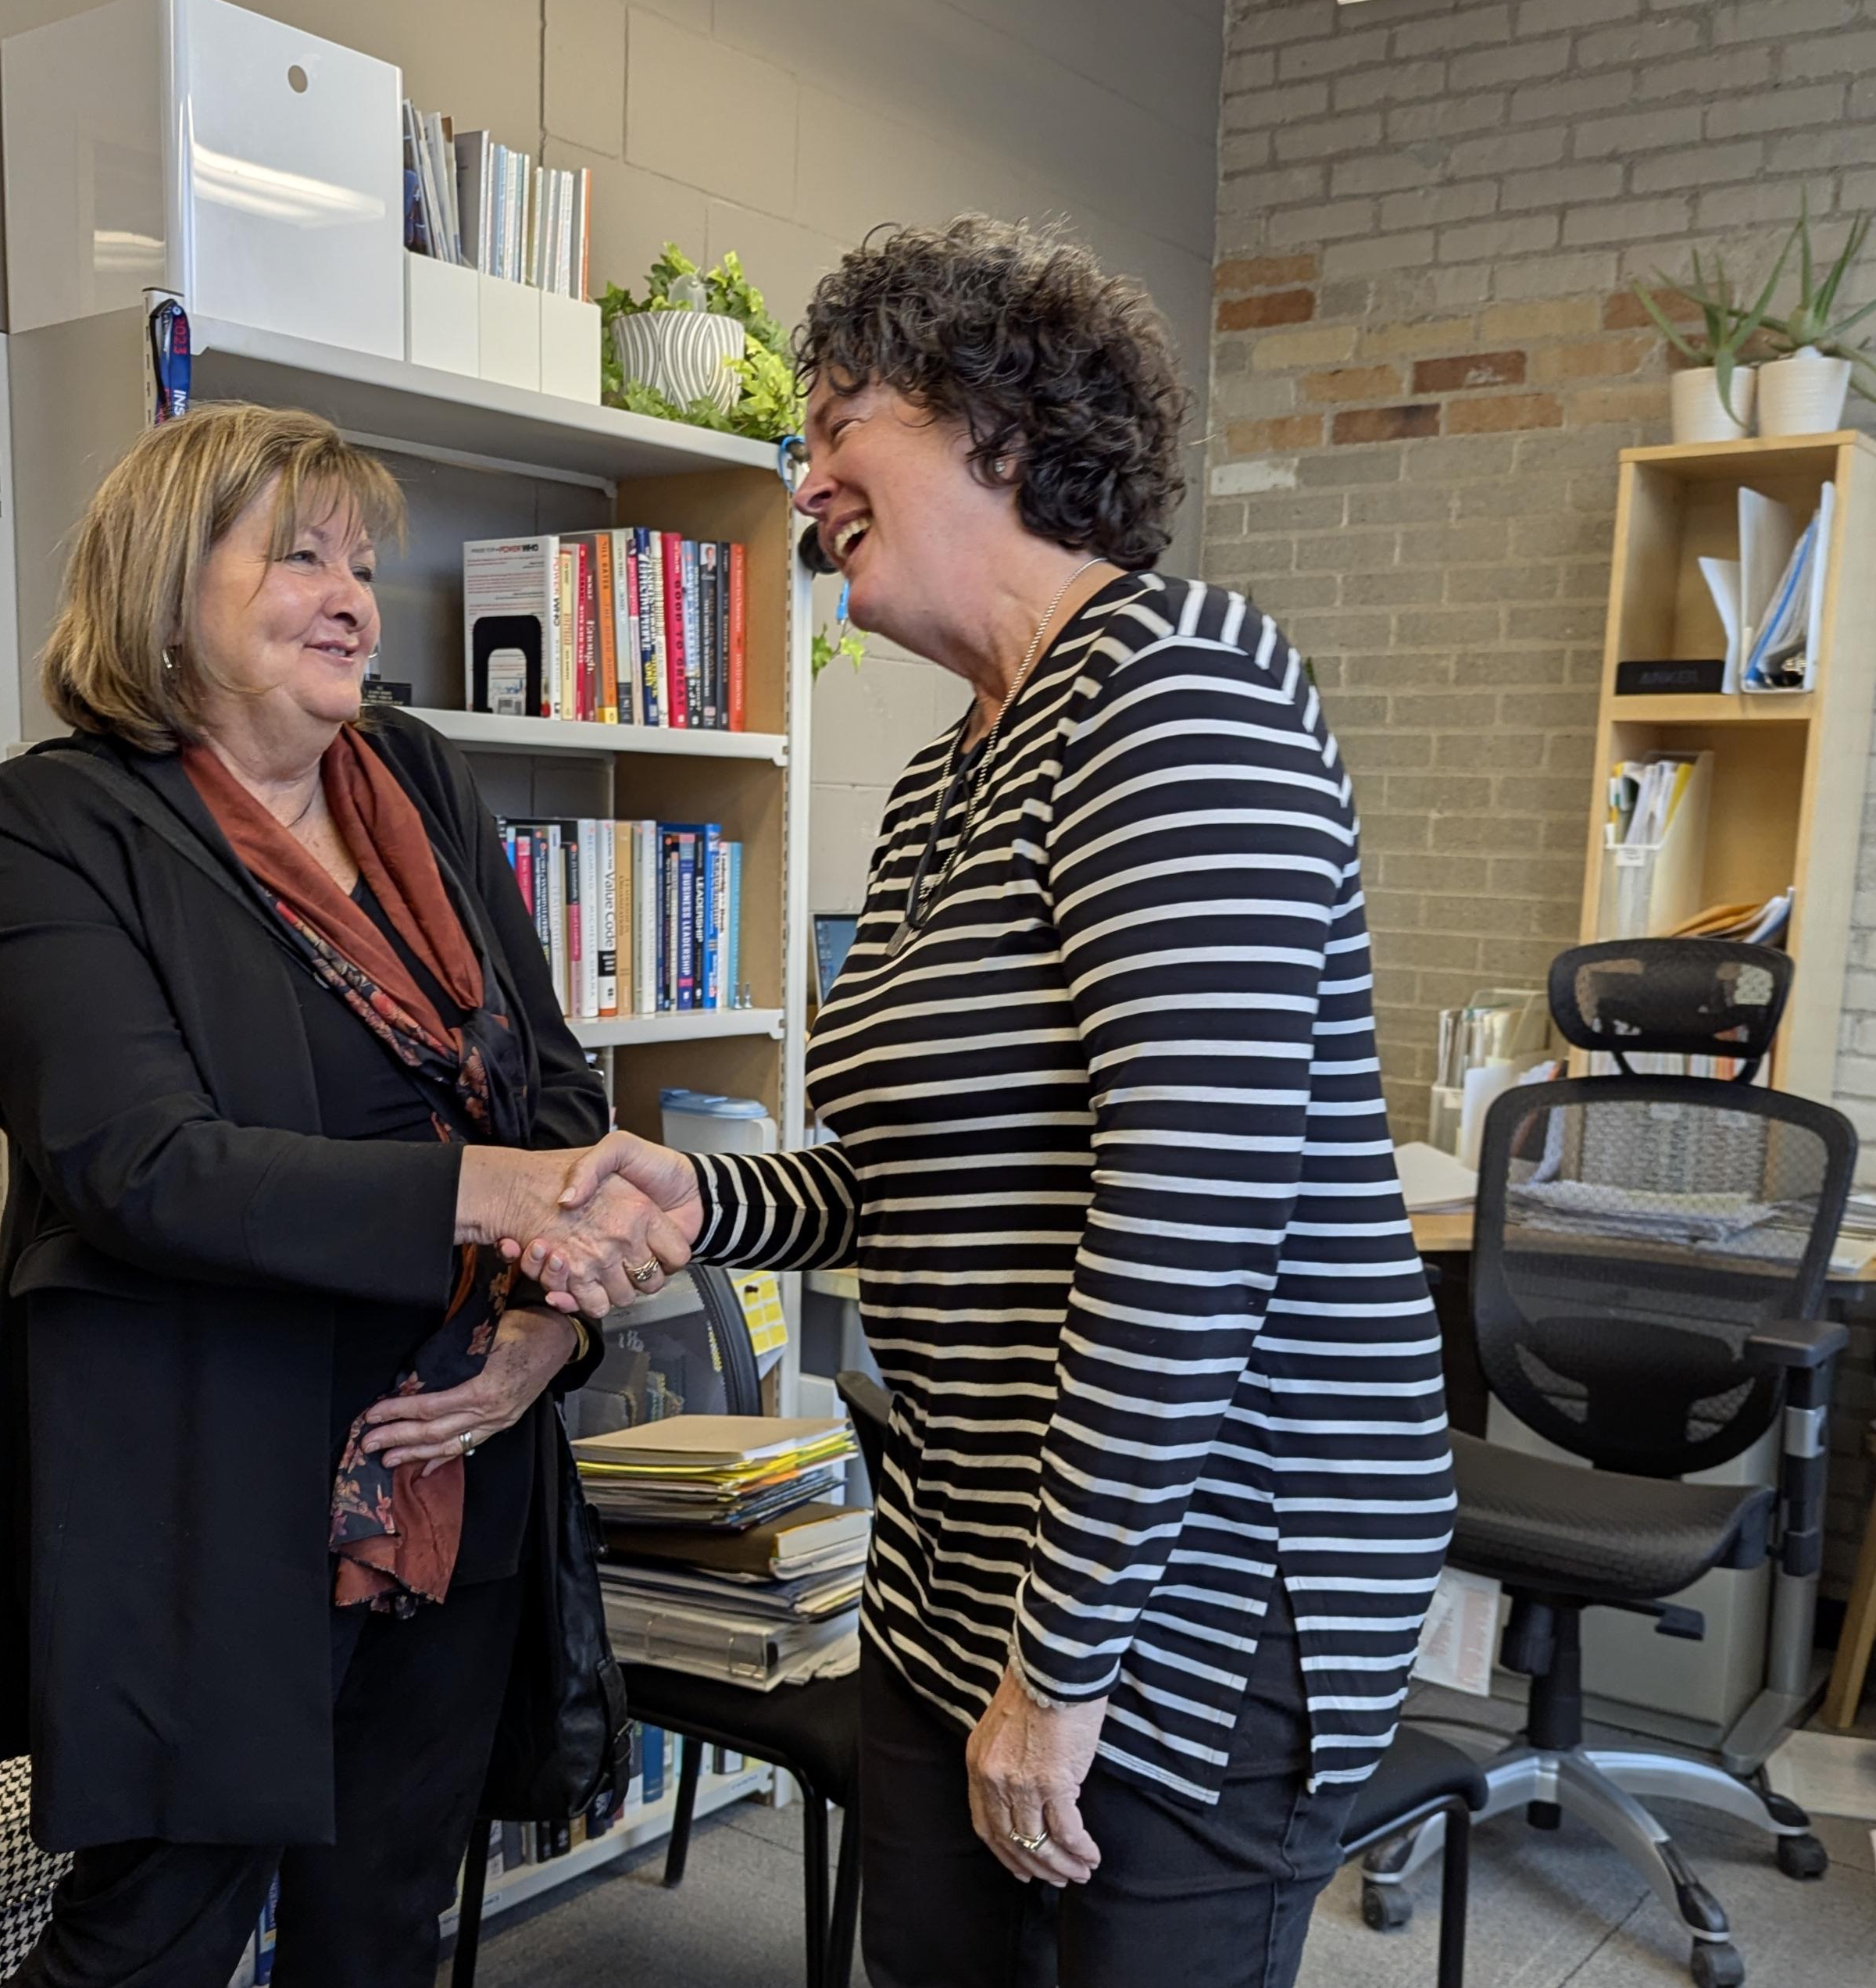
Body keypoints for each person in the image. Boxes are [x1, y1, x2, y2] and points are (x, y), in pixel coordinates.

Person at [518, 219, 1456, 1988]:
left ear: (994, 426)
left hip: (1190, 1578)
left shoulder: (1182, 691)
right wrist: (701, 1200)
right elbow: (917, 1175)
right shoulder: (948, 772)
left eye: (840, 422)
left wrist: (1065, 1665)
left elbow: (1189, 1230)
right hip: (969, 1549)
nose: (804, 485)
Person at [0, 402, 685, 1988]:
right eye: (299, 556)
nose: (356, 595)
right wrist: (492, 1192)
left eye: (363, 561)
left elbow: (551, 1074)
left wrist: (543, 1335)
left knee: (384, 1925)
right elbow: (139, 1166)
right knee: (151, 1939)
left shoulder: (414, 767)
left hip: (459, 1461)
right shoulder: (53, 825)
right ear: (162, 587)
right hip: (216, 1485)